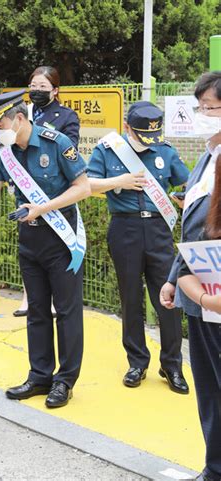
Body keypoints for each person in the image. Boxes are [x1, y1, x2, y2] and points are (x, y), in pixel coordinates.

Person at [0, 90, 91, 408]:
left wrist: (44, 208)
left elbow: (83, 187)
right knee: (36, 312)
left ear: (19, 118)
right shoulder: (2, 153)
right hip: (29, 240)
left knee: (67, 312)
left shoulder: (56, 142)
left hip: (62, 241)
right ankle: (40, 376)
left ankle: (64, 381)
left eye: (0, 123)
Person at [87, 101, 190, 393]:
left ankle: (172, 365)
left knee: (168, 299)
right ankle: (137, 362)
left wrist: (182, 196)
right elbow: (86, 184)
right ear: (127, 127)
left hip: (158, 230)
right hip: (125, 228)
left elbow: (185, 184)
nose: (148, 141)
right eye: (141, 134)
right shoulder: (108, 150)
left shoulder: (164, 150)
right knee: (130, 297)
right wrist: (118, 181)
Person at [160, 71, 221, 481]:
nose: (205, 116)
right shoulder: (206, 157)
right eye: (201, 109)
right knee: (210, 391)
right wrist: (172, 277)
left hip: (215, 294)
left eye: (213, 109)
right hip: (201, 293)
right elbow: (193, 228)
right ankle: (214, 468)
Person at [14, 65, 81, 317]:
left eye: (42, 87)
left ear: (55, 90)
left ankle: (53, 301)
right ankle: (27, 297)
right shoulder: (23, 113)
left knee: (55, 257)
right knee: (29, 253)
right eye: (33, 86)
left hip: (55, 194)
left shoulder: (66, 116)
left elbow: (69, 149)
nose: (36, 91)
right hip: (26, 191)